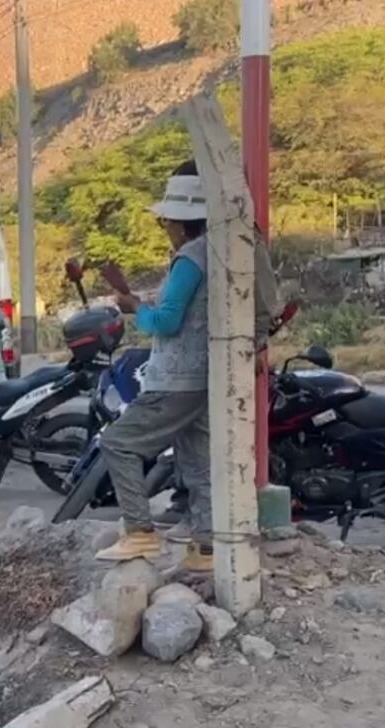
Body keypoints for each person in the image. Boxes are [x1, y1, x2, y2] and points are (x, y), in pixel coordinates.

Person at [95, 163, 215, 573]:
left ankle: (140, 533)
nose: (164, 226)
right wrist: (134, 297)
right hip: (202, 377)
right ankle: (207, 549)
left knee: (118, 443)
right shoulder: (213, 252)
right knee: (198, 462)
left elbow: (166, 321)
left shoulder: (188, 260)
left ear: (181, 222)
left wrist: (134, 308)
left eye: (165, 220)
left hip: (176, 377)